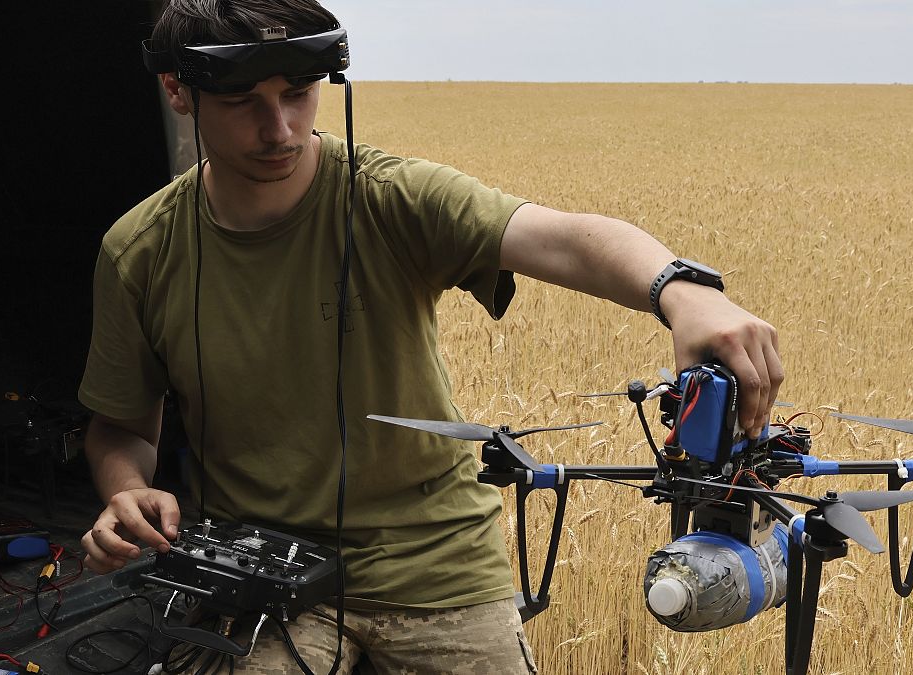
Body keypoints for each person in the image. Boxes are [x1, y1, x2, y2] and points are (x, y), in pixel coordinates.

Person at [78, 0, 784, 672]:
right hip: (262, 566)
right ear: (178, 91)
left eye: (299, 91)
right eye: (242, 103)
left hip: (435, 559)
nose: (282, 129)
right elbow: (120, 429)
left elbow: (563, 239)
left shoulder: (389, 196)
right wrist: (126, 489)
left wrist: (684, 291)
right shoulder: (140, 251)